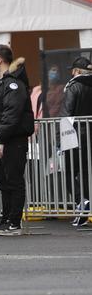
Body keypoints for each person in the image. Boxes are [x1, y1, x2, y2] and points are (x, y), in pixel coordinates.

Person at [0, 45, 34, 236]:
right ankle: (5, 220)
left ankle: (14, 223)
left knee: (14, 181)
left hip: (13, 141)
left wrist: (1, 139)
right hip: (0, 141)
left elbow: (11, 115)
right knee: (2, 181)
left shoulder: (14, 84)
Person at [60, 57, 92, 227]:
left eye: (73, 70)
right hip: (90, 137)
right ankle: (84, 209)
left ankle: (82, 202)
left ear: (77, 71)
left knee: (69, 172)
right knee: (85, 173)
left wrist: (59, 140)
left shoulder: (73, 86)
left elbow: (67, 114)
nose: (71, 73)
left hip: (74, 136)